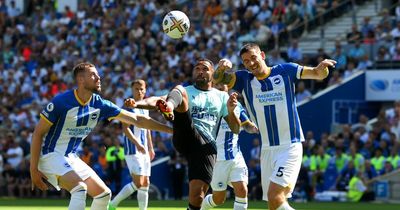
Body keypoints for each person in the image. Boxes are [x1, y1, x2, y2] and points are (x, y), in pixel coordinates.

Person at [30, 62, 172, 210]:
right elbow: (38, 133)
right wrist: (33, 169)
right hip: (49, 153)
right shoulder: (61, 102)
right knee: (79, 188)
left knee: (104, 195)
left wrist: (172, 130)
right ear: (81, 80)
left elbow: (137, 119)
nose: (98, 78)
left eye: (98, 75)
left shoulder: (100, 105)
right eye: (93, 75)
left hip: (70, 156)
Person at [213, 43, 336, 210]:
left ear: (262, 55)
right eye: (246, 61)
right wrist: (221, 68)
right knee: (274, 204)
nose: (250, 63)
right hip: (268, 149)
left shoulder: (286, 70)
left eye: (253, 58)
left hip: (289, 145)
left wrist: (323, 68)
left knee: (275, 196)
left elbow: (317, 73)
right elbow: (217, 80)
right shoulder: (244, 79)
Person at [125, 58, 241, 210]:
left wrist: (231, 111)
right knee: (179, 92)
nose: (200, 71)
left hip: (205, 145)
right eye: (197, 68)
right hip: (185, 134)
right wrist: (137, 103)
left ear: (213, 74)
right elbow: (154, 100)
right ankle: (170, 108)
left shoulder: (222, 96)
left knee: (197, 197)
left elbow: (236, 128)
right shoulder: (185, 91)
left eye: (205, 69)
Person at [201, 83, 258, 210]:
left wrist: (252, 128)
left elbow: (246, 124)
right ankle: (201, 207)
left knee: (242, 190)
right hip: (217, 160)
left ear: (228, 87)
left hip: (235, 157)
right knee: (219, 199)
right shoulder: (206, 106)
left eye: (223, 85)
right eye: (217, 85)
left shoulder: (237, 106)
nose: (220, 87)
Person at [109, 80, 155, 210]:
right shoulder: (129, 106)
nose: (139, 91)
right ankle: (112, 204)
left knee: (145, 183)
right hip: (133, 149)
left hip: (144, 149)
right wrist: (138, 144)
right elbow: (126, 129)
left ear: (145, 90)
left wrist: (150, 148)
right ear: (132, 90)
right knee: (139, 182)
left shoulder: (145, 107)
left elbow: (148, 129)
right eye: (136, 89)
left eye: (141, 89)